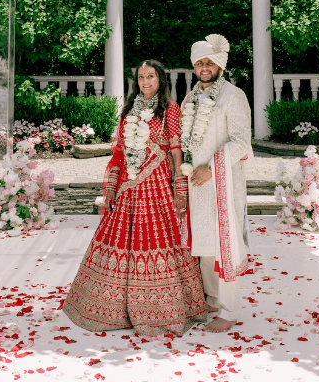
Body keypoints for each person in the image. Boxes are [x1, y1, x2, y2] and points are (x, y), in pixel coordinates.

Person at [62, 60, 211, 335]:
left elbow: (176, 150)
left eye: (150, 76)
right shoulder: (129, 109)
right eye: (141, 77)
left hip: (158, 186)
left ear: (160, 79)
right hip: (129, 186)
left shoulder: (170, 109)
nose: (145, 82)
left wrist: (180, 188)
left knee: (160, 241)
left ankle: (160, 310)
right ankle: (116, 308)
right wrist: (110, 187)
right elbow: (119, 152)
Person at [180, 34, 253, 333]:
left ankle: (229, 310)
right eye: (200, 63)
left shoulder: (233, 96)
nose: (204, 67)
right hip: (196, 185)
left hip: (222, 182)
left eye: (210, 62)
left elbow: (241, 142)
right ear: (194, 66)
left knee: (226, 244)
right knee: (204, 244)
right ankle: (211, 300)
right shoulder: (189, 98)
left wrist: (210, 168)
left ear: (220, 65)